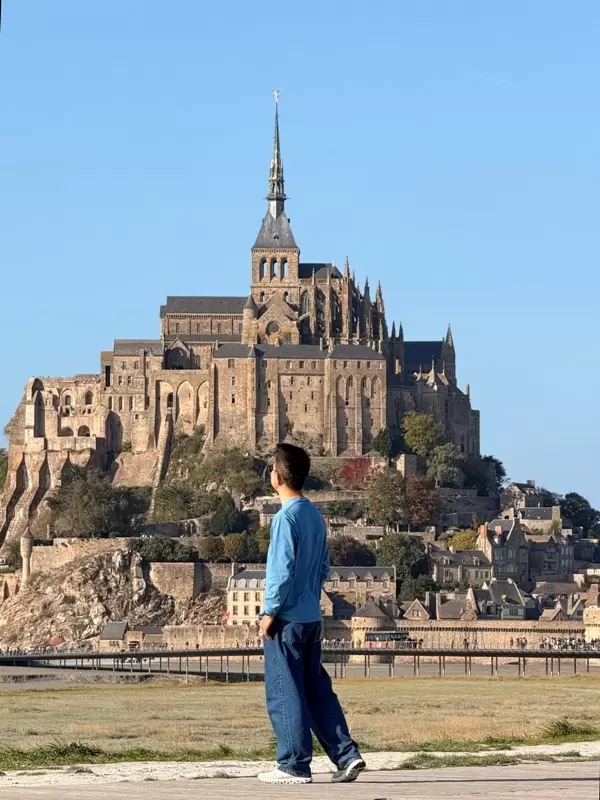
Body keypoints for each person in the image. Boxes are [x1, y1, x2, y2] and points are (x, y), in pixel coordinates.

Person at [257, 443, 365, 785]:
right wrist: (308, 597)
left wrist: (269, 611)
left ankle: (293, 764)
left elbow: (280, 570)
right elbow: (323, 567)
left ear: (276, 476)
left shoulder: (285, 518)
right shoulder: (314, 516)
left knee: (284, 690)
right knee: (318, 689)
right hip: (311, 617)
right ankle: (347, 756)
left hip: (286, 619)